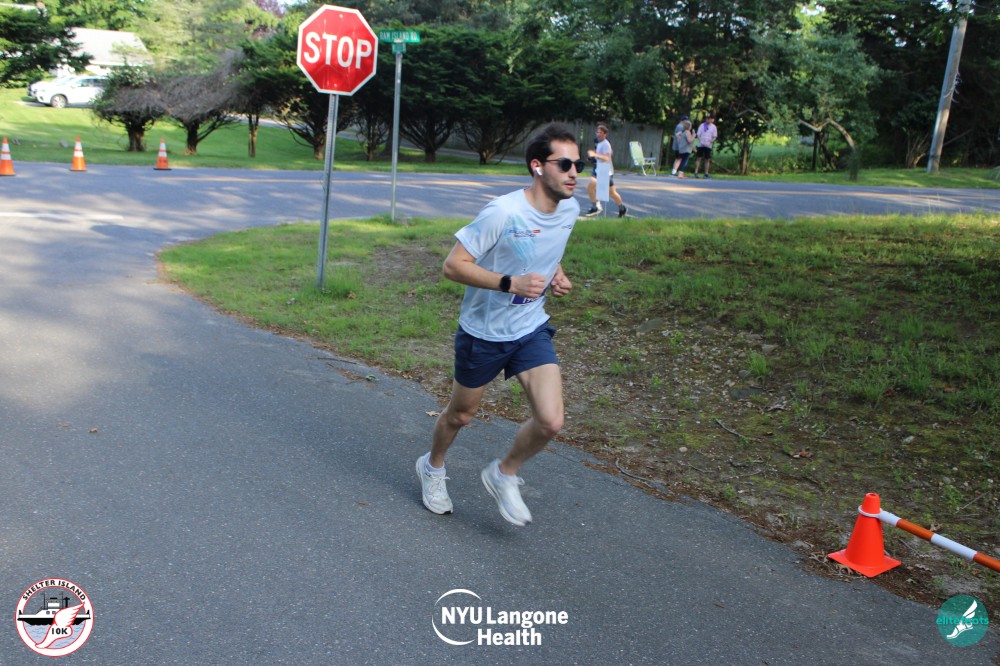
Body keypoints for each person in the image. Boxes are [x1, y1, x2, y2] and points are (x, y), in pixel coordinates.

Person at [416, 123, 581, 527]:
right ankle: (432, 466)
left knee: (551, 420)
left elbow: (543, 248)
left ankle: (504, 473)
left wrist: (556, 273)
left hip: (530, 327)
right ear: (538, 166)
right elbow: (453, 265)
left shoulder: (570, 210)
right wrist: (510, 283)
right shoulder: (503, 212)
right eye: (565, 164)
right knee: (460, 415)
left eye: (579, 164)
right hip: (483, 333)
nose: (574, 173)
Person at [583, 124, 627, 218]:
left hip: (605, 171)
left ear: (605, 134)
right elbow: (609, 153)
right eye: (597, 132)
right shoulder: (599, 143)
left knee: (597, 189)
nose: (598, 134)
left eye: (601, 133)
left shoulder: (606, 144)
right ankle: (621, 208)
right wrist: (593, 158)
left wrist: (595, 155)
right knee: (608, 192)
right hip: (599, 169)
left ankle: (596, 207)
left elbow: (607, 158)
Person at [692, 114, 717, 178]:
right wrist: (701, 141)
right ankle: (696, 172)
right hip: (701, 144)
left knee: (707, 159)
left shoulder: (713, 127)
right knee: (698, 158)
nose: (708, 120)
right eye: (707, 118)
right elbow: (698, 134)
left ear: (711, 119)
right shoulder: (702, 125)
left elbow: (714, 136)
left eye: (709, 119)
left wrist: (710, 141)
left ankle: (706, 173)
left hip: (708, 145)